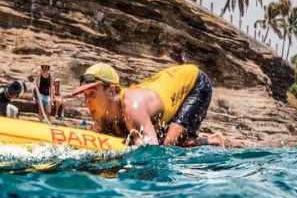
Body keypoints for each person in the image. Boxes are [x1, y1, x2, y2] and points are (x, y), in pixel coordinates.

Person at [72, 63, 224, 148]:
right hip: (165, 86)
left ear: (111, 91)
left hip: (194, 83)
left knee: (169, 145)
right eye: (85, 96)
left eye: (92, 94)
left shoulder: (132, 107)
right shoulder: (103, 118)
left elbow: (152, 150)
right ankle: (208, 141)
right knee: (172, 140)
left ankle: (214, 140)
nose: (87, 102)